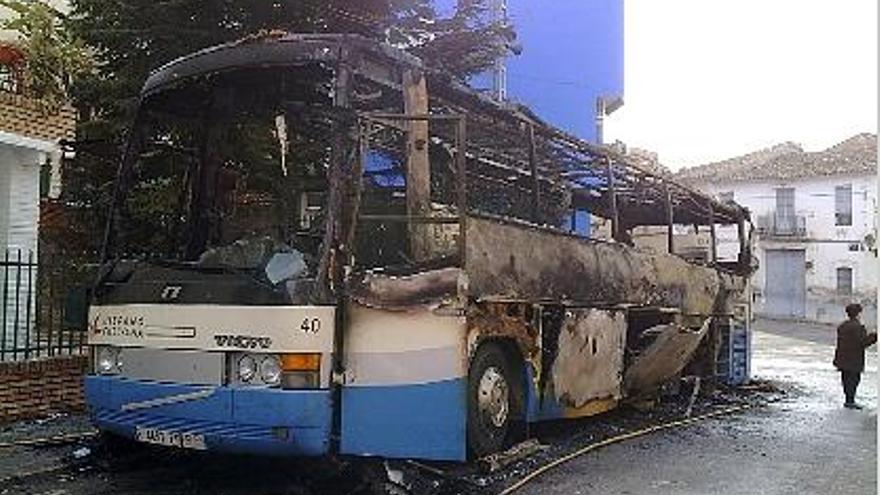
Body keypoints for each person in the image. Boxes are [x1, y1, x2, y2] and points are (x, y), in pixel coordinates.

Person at [833, 303, 877, 409]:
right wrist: (874, 336)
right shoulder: (858, 327)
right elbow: (863, 342)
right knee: (854, 380)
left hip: (843, 358)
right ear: (858, 314)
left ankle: (848, 400)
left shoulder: (842, 325)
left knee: (846, 379)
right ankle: (850, 401)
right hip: (854, 359)